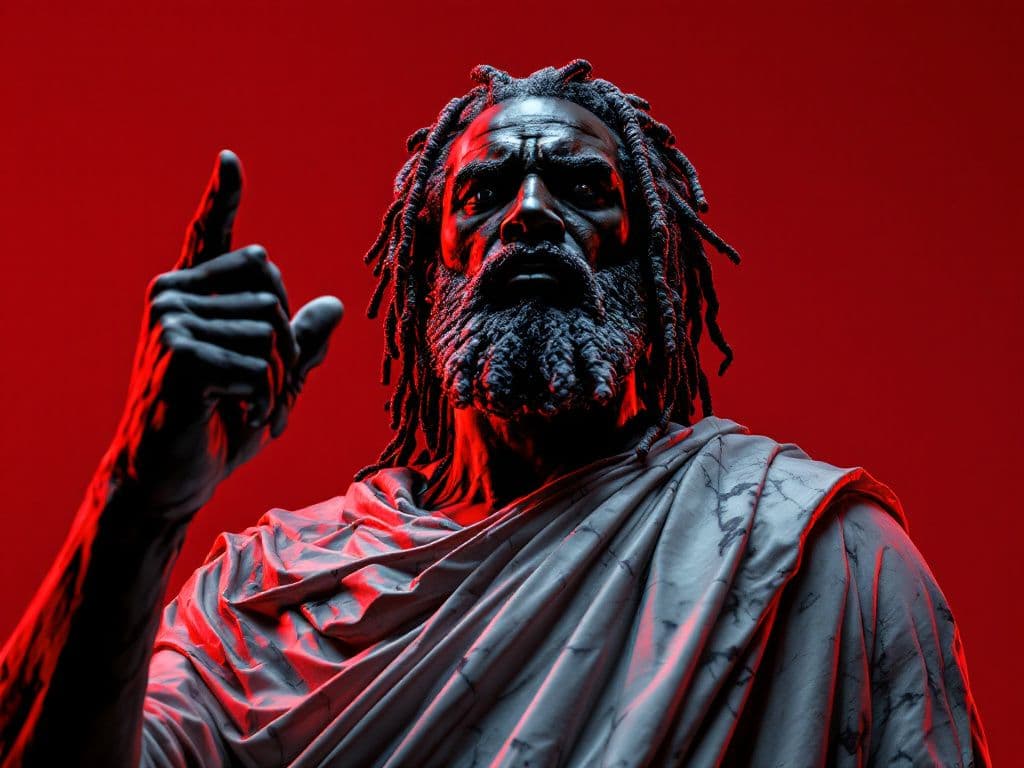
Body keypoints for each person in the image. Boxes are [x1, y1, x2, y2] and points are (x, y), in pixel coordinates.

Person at [0, 61, 989, 767]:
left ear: (649, 268)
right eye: (482, 192)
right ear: (429, 270)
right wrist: (136, 502)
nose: (526, 213)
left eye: (578, 187)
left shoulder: (821, 562)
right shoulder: (261, 601)